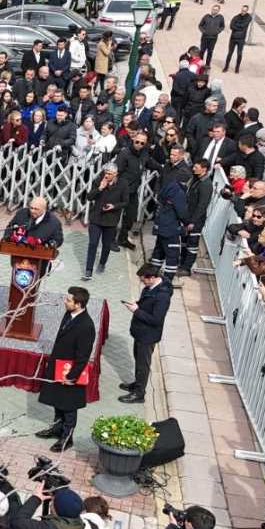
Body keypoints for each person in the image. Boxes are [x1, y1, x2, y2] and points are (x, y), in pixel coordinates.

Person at [37, 287, 97, 453]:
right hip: (59, 366)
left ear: (78, 304)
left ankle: (67, 438)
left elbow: (83, 356)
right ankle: (57, 428)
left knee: (69, 407)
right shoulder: (69, 314)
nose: (65, 302)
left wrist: (72, 376)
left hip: (70, 372)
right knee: (58, 401)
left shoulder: (86, 326)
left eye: (68, 300)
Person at [120, 265, 172, 404]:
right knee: (138, 359)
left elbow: (156, 319)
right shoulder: (152, 288)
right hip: (141, 331)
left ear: (153, 278)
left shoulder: (162, 296)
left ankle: (139, 393)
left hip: (147, 335)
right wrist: (138, 305)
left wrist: (136, 311)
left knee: (143, 364)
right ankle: (137, 384)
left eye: (144, 280)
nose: (142, 282)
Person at [83, 165, 124, 279]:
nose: (107, 175)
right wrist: (100, 188)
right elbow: (89, 197)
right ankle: (88, 269)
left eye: (110, 174)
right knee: (93, 244)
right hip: (96, 218)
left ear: (115, 174)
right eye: (106, 173)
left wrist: (114, 206)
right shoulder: (99, 181)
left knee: (106, 245)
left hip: (111, 220)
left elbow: (125, 201)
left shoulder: (122, 184)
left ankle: (102, 263)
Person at [225, 5, 252, 73]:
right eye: (242, 10)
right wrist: (239, 27)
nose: (243, 12)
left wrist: (236, 25)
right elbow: (231, 26)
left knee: (239, 54)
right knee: (230, 53)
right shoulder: (236, 17)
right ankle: (226, 66)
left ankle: (237, 68)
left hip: (241, 39)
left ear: (247, 11)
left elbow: (243, 26)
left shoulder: (249, 17)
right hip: (233, 38)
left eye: (245, 11)